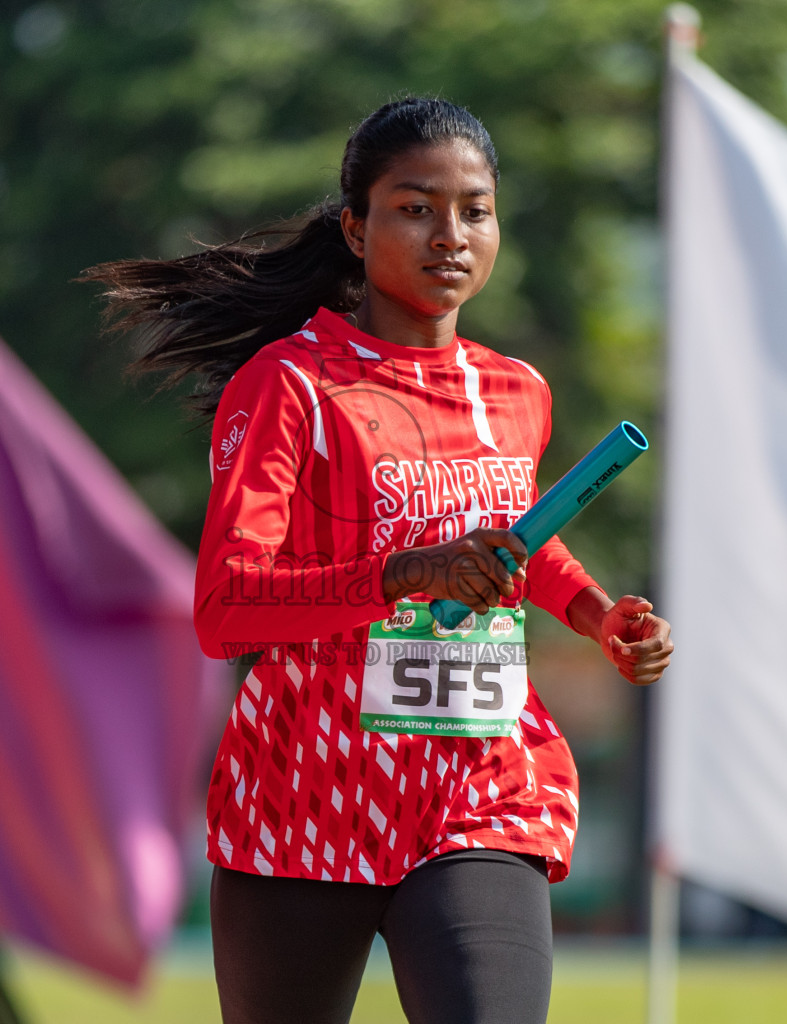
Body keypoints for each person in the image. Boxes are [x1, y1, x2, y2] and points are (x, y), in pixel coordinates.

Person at [85, 97, 673, 1024]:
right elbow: (226, 608)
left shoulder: (514, 393)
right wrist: (404, 575)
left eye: (475, 209)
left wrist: (597, 613)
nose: (452, 235)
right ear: (356, 229)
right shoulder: (288, 386)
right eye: (416, 207)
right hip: (305, 802)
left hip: (479, 791)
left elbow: (512, 530)